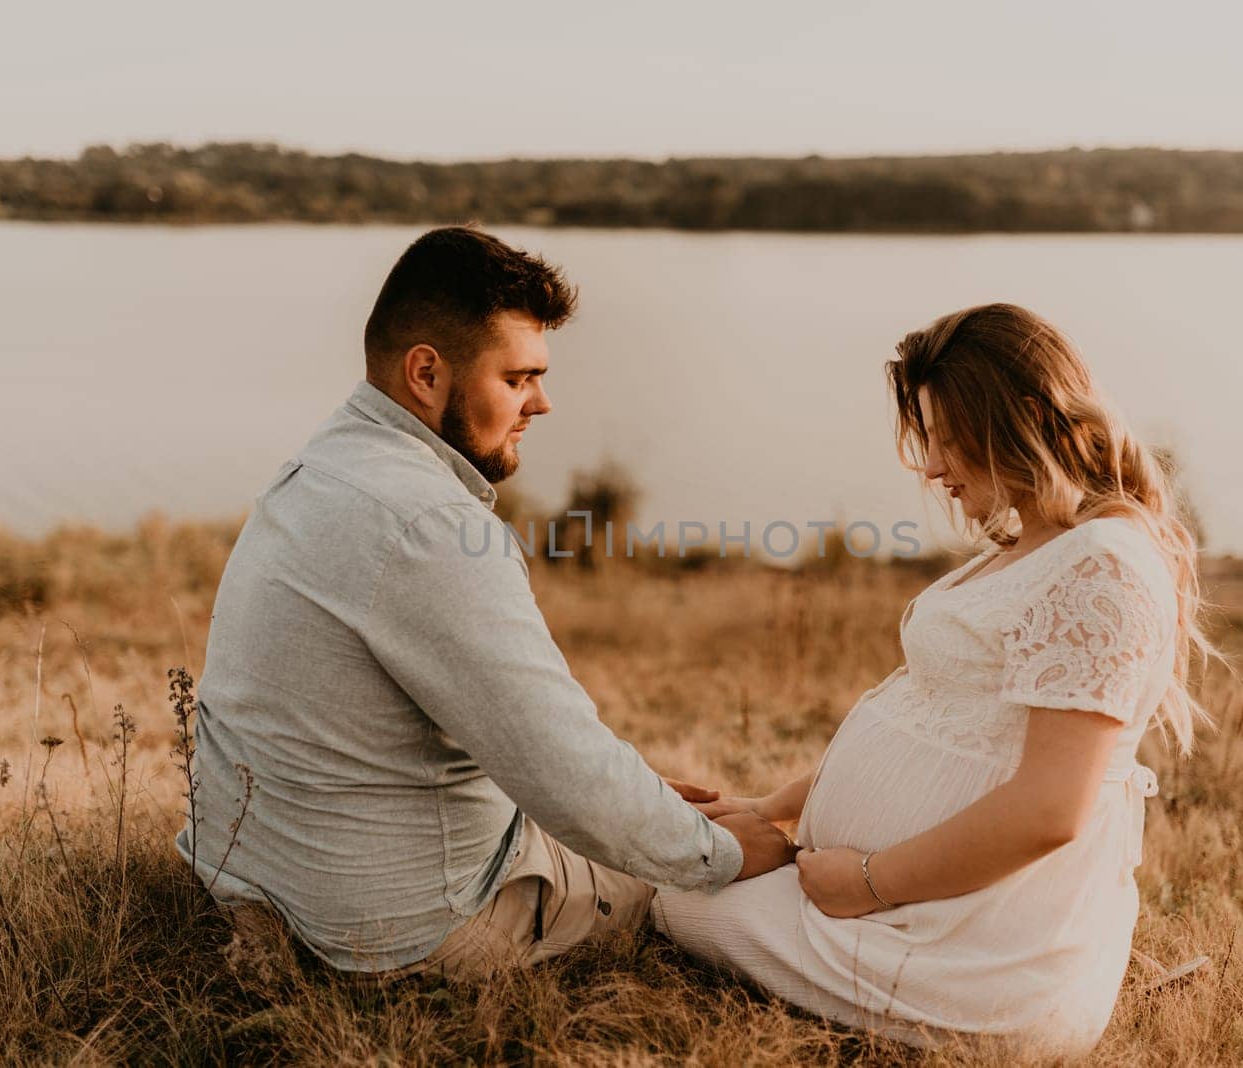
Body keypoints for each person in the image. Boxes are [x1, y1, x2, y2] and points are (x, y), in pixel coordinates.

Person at [175, 226, 795, 979]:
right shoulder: (430, 523)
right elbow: (561, 767)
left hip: (258, 875)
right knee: (713, 874)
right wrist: (722, 853)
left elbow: (516, 743)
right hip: (397, 927)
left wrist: (642, 797)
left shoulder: (320, 468)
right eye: (517, 378)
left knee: (651, 812)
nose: (542, 402)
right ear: (427, 374)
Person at [653, 302, 1217, 1056]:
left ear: (1019, 417)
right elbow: (942, 721)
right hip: (917, 912)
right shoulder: (1035, 546)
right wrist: (775, 806)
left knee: (677, 897)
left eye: (946, 437)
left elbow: (1051, 807)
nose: (931, 466)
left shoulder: (1102, 567)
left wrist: (869, 882)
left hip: (978, 956)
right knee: (685, 873)